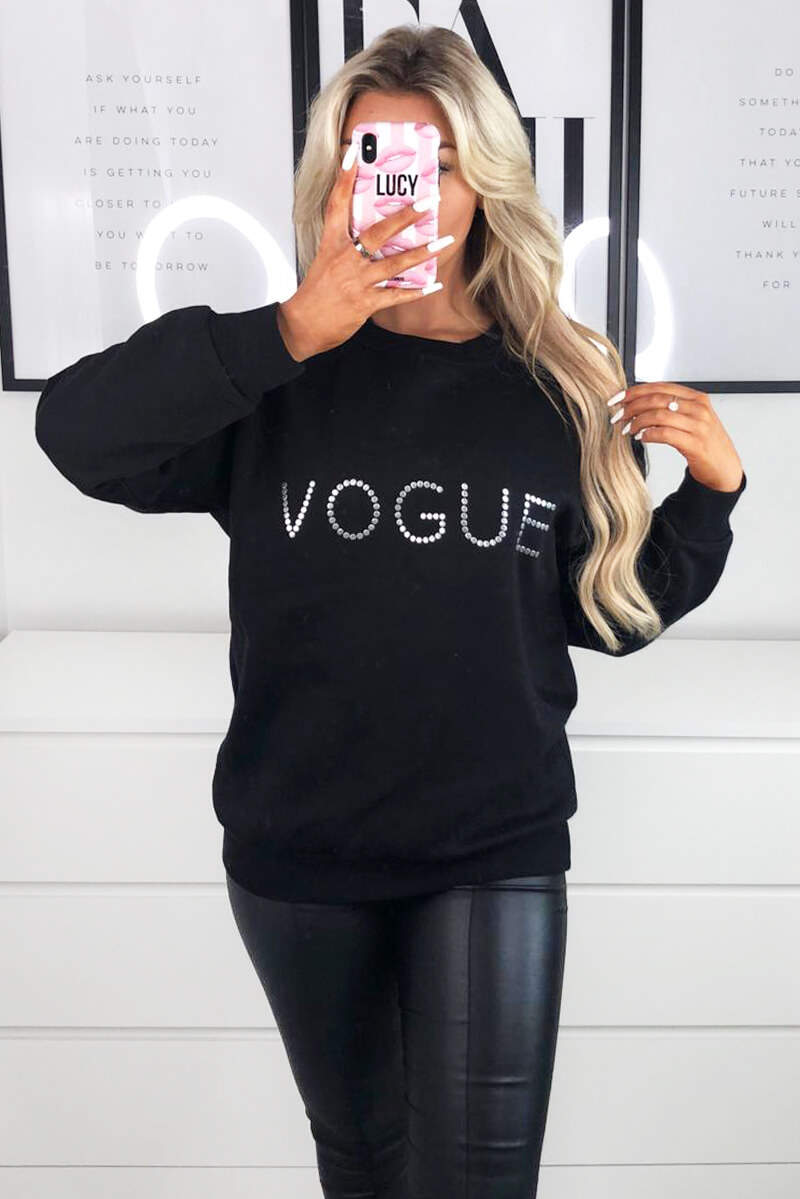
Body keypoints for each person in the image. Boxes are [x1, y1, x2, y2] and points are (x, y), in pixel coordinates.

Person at [34, 22, 747, 1199]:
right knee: (361, 1163)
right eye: (376, 158)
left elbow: (610, 616)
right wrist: (289, 331)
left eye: (441, 163)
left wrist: (710, 498)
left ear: (484, 182)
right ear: (335, 177)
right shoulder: (266, 376)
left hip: (492, 845)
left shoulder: (559, 383)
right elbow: (75, 435)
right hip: (297, 849)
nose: (410, 190)